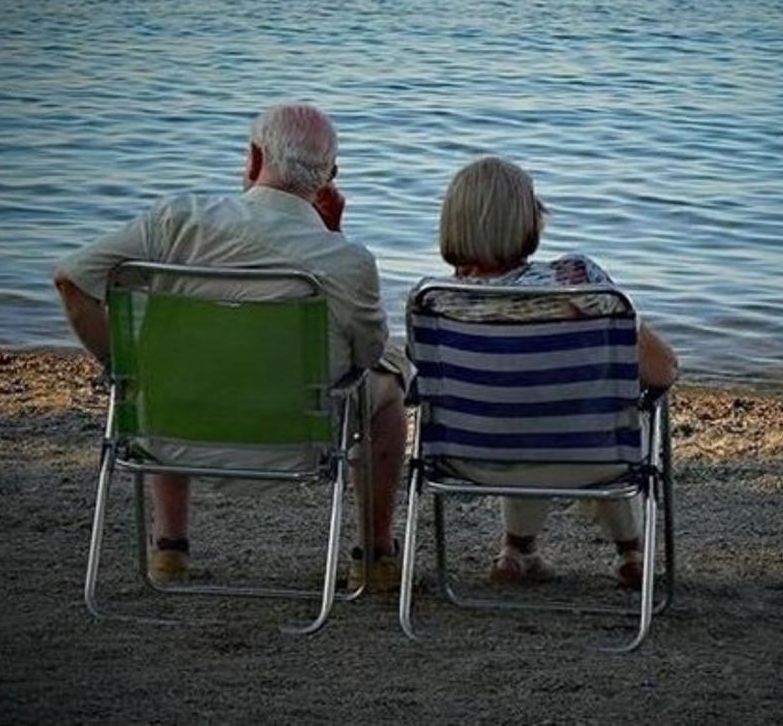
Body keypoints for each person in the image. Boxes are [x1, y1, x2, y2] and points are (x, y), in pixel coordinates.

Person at [54, 102, 408, 592]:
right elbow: (366, 355)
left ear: (254, 156)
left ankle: (169, 550)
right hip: (295, 445)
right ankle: (374, 555)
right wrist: (333, 237)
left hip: (172, 431)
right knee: (390, 380)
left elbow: (72, 281)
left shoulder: (176, 220)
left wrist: (126, 370)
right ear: (331, 177)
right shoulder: (345, 259)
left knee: (169, 362)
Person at [424, 156, 679, 589]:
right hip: (592, 459)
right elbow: (663, 371)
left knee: (515, 407)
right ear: (527, 219)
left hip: (470, 459)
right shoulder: (579, 280)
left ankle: (515, 552)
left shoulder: (435, 301)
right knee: (591, 408)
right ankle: (632, 552)